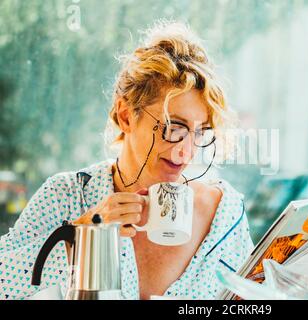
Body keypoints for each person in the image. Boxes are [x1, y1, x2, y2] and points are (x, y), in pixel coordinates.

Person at [0, 21, 254, 300]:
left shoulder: (225, 215)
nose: (187, 151)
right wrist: (80, 237)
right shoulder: (66, 196)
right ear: (126, 115)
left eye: (199, 133)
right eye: (174, 128)